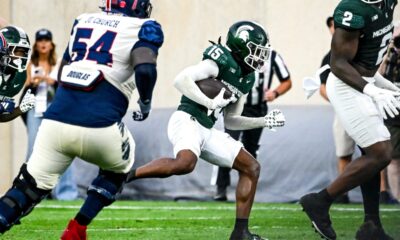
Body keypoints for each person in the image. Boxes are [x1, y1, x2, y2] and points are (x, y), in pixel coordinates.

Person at [0, 1, 163, 239]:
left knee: (26, 189)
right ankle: (77, 228)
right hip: (101, 126)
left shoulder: (83, 19)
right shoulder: (144, 27)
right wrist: (146, 102)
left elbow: (64, 69)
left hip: (55, 121)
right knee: (119, 168)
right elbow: (145, 68)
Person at [126, 21, 285, 240]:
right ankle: (126, 176)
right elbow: (181, 80)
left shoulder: (247, 77)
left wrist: (264, 121)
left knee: (251, 167)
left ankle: (241, 233)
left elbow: (232, 121)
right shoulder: (218, 61)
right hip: (187, 119)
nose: (260, 58)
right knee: (185, 163)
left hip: (207, 129)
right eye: (255, 51)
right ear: (240, 46)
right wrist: (209, 103)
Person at [300, 0, 399, 239]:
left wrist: (383, 86)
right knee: (381, 152)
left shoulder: (387, 2)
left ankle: (371, 226)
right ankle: (319, 201)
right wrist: (371, 90)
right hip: (346, 85)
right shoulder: (352, 10)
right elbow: (338, 63)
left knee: (372, 155)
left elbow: (368, 63)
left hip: (367, 80)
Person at [214, 44, 292, 201]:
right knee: (228, 145)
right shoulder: (239, 52)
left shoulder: (273, 56)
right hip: (236, 107)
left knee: (250, 150)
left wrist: (275, 93)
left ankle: (246, 188)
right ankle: (221, 188)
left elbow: (287, 81)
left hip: (258, 108)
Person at [23, 28, 78, 201]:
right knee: (34, 149)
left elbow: (65, 89)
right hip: (35, 109)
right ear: (36, 44)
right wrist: (33, 83)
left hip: (54, 108)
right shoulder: (30, 65)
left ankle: (66, 193)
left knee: (62, 148)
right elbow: (24, 91)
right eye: (40, 40)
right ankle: (32, 192)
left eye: (47, 40)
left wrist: (50, 81)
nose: (43, 43)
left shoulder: (59, 64)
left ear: (51, 43)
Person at [319, 16, 356, 204]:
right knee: (343, 152)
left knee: (376, 153)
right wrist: (339, 101)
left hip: (364, 106)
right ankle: (343, 191)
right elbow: (322, 87)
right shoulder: (330, 57)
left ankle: (382, 191)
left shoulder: (359, 51)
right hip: (343, 111)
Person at [380, 21, 400, 201]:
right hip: (393, 114)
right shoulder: (388, 57)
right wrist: (388, 51)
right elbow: (375, 75)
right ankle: (397, 198)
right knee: (394, 158)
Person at [0, 26, 35, 122]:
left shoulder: (19, 77)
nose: (20, 57)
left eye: (23, 52)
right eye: (16, 51)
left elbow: (0, 117)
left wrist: (20, 109)